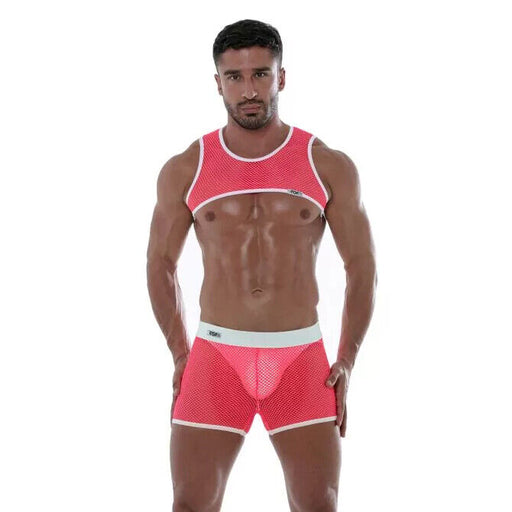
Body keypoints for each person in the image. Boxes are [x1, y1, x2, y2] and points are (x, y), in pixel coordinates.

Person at [146, 18, 377, 512]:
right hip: (216, 356)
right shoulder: (187, 168)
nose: (249, 90)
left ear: (281, 77)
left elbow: (362, 266)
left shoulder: (326, 164)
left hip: (300, 359)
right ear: (218, 83)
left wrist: (347, 359)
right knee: (191, 504)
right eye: (235, 77)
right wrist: (181, 354)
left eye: (260, 74)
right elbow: (160, 262)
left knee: (319, 504)